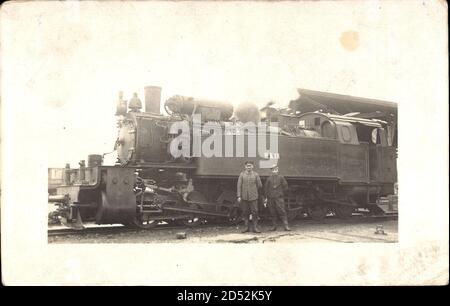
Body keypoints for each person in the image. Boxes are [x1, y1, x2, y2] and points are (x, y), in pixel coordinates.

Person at [237, 161, 263, 233]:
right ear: (245, 166)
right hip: (244, 197)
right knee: (245, 212)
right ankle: (246, 227)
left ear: (253, 166)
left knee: (255, 212)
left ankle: (255, 228)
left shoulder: (256, 175)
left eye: (250, 166)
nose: (249, 167)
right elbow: (239, 186)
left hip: (253, 197)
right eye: (247, 166)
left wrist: (254, 192)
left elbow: (260, 185)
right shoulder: (242, 175)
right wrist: (239, 196)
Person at [264, 165, 291, 231]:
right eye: (273, 170)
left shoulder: (281, 178)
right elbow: (266, 188)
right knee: (272, 212)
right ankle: (274, 226)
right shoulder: (269, 179)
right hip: (271, 198)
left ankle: (286, 226)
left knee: (282, 211)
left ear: (277, 170)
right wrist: (267, 196)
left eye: (276, 170)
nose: (274, 171)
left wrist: (280, 193)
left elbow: (285, 187)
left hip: (279, 198)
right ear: (271, 171)